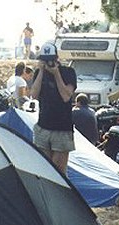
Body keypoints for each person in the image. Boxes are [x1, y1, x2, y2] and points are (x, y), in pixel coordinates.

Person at [30, 41, 77, 175]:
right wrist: (40, 72)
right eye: (45, 60)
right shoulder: (40, 73)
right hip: (43, 126)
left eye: (50, 60)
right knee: (44, 168)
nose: (48, 63)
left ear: (56, 58)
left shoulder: (68, 72)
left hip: (62, 128)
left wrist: (56, 74)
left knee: (58, 171)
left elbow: (66, 96)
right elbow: (33, 95)